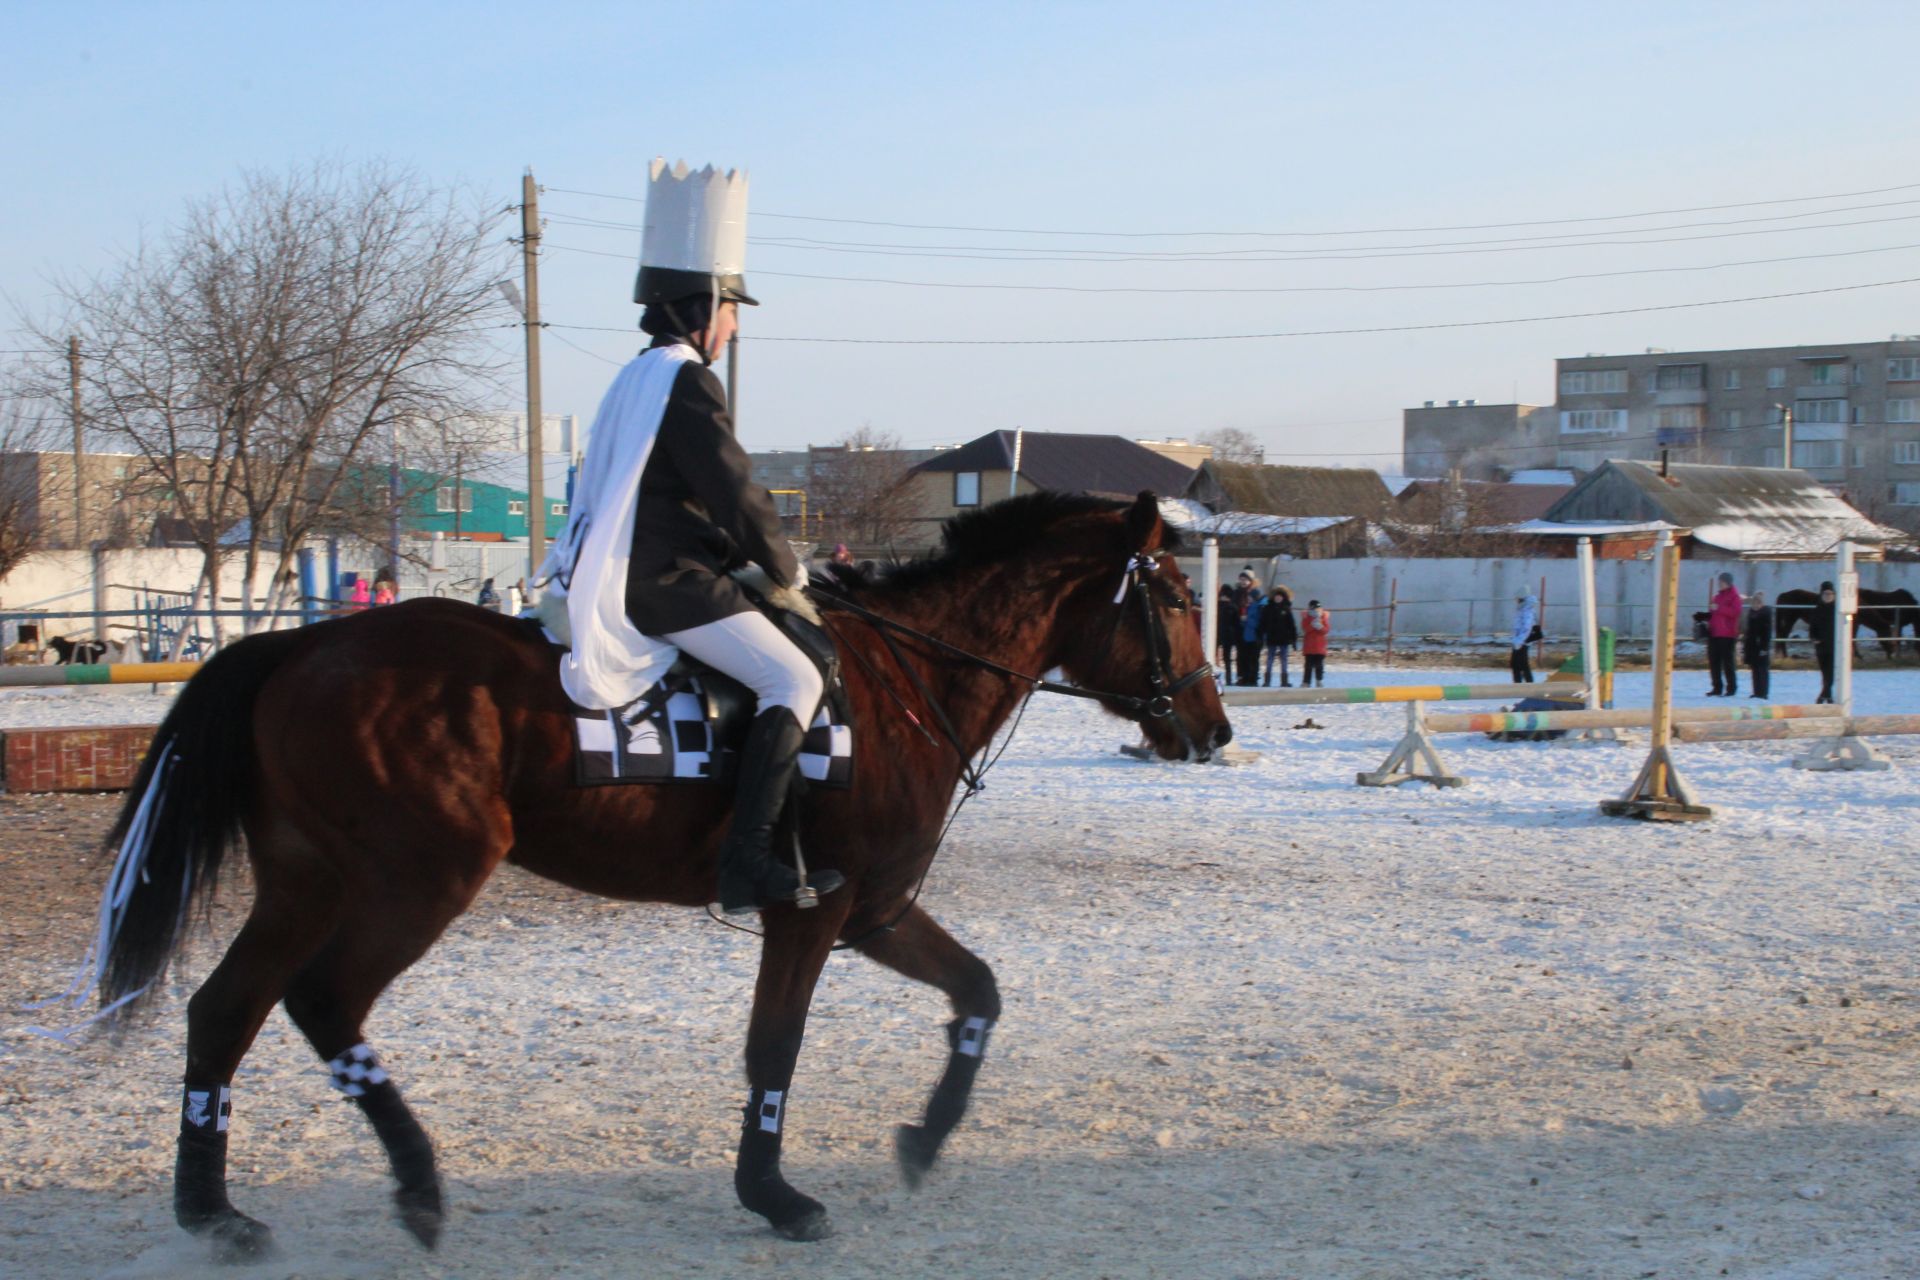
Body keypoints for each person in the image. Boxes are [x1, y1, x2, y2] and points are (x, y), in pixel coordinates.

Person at [538, 158, 843, 915]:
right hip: (665, 583)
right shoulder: (685, 378)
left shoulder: (634, 376)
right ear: (705, 305)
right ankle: (746, 862)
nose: (735, 327)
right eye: (732, 310)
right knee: (794, 678)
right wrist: (784, 571)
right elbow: (732, 489)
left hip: (629, 568)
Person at [1706, 572, 1742, 696]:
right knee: (1714, 662)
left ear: (1728, 583)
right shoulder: (1717, 597)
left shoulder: (1735, 597)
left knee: (1728, 663)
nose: (1719, 584)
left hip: (1728, 635)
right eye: (1719, 582)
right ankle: (1717, 687)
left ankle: (1731, 688)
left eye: (1722, 582)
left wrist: (1718, 608)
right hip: (1715, 634)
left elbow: (1735, 612)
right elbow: (1712, 614)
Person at [1261, 585, 1298, 687]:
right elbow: (1263, 623)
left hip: (1283, 638)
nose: (1278, 598)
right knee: (1270, 659)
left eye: (1280, 596)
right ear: (1273, 597)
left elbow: (1292, 625)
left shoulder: (1286, 609)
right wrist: (1261, 635)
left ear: (1283, 597)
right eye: (1276, 596)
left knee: (1284, 659)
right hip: (1271, 638)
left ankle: (1284, 680)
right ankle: (1267, 680)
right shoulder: (1268, 609)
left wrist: (1293, 639)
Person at [1810, 580, 1838, 704]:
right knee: (1824, 673)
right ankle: (1828, 696)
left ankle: (1822, 697)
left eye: (1830, 594)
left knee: (1830, 674)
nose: (1828, 596)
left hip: (1834, 646)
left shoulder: (1837, 610)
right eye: (1826, 594)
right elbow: (1812, 627)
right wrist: (1813, 638)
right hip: (1821, 646)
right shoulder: (1817, 609)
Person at [1234, 573, 1264, 687]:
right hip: (1246, 636)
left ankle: (1253, 679)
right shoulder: (1248, 606)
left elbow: (1257, 622)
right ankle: (1245, 678)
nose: (1248, 599)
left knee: (1253, 659)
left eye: (1250, 597)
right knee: (1245, 658)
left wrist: (1246, 620)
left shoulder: (1257, 607)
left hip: (1254, 637)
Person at [1743, 589, 1773, 700]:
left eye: (1757, 603)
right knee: (1754, 669)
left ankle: (1763, 692)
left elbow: (1767, 632)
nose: (1755, 605)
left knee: (1762, 670)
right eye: (1753, 603)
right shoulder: (1751, 614)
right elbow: (1749, 631)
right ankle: (1756, 691)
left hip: (1761, 645)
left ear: (1761, 603)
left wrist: (1764, 647)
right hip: (1752, 646)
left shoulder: (1766, 614)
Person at [1300, 598, 1331, 687]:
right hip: (1309, 647)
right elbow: (1305, 629)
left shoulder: (1323, 617)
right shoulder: (1306, 618)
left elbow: (1326, 630)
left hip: (1320, 647)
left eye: (1318, 608)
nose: (1316, 610)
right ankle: (1306, 682)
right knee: (1308, 666)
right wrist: (1312, 625)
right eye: (1314, 608)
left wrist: (1319, 626)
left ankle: (1319, 680)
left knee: (1319, 666)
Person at [1510, 591, 1537, 683]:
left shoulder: (1527, 611)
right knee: (1515, 663)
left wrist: (1519, 641)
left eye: (1517, 599)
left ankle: (1529, 684)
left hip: (1522, 641)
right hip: (1518, 640)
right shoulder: (1522, 610)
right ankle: (1518, 684)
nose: (1516, 601)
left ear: (1522, 599)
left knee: (1522, 663)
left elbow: (1526, 628)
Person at [1214, 585, 1238, 685]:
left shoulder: (1218, 606)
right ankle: (1226, 679)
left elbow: (1235, 623)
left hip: (1222, 635)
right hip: (1224, 635)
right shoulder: (1231, 607)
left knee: (1223, 658)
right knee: (1224, 659)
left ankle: (1226, 679)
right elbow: (1236, 623)